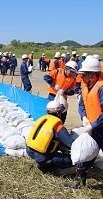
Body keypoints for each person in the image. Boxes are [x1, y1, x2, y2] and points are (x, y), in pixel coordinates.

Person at [65, 56, 103, 188]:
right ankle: (79, 181)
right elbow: (82, 104)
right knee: (87, 152)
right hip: (92, 128)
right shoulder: (86, 86)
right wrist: (84, 118)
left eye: (84, 75)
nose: (81, 78)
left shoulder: (101, 88)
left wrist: (94, 124)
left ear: (92, 75)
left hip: (99, 127)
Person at [26, 100, 77, 173]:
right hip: (43, 157)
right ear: (58, 113)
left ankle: (43, 162)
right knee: (72, 159)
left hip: (30, 151)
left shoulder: (42, 119)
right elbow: (70, 144)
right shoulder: (57, 125)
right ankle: (55, 170)